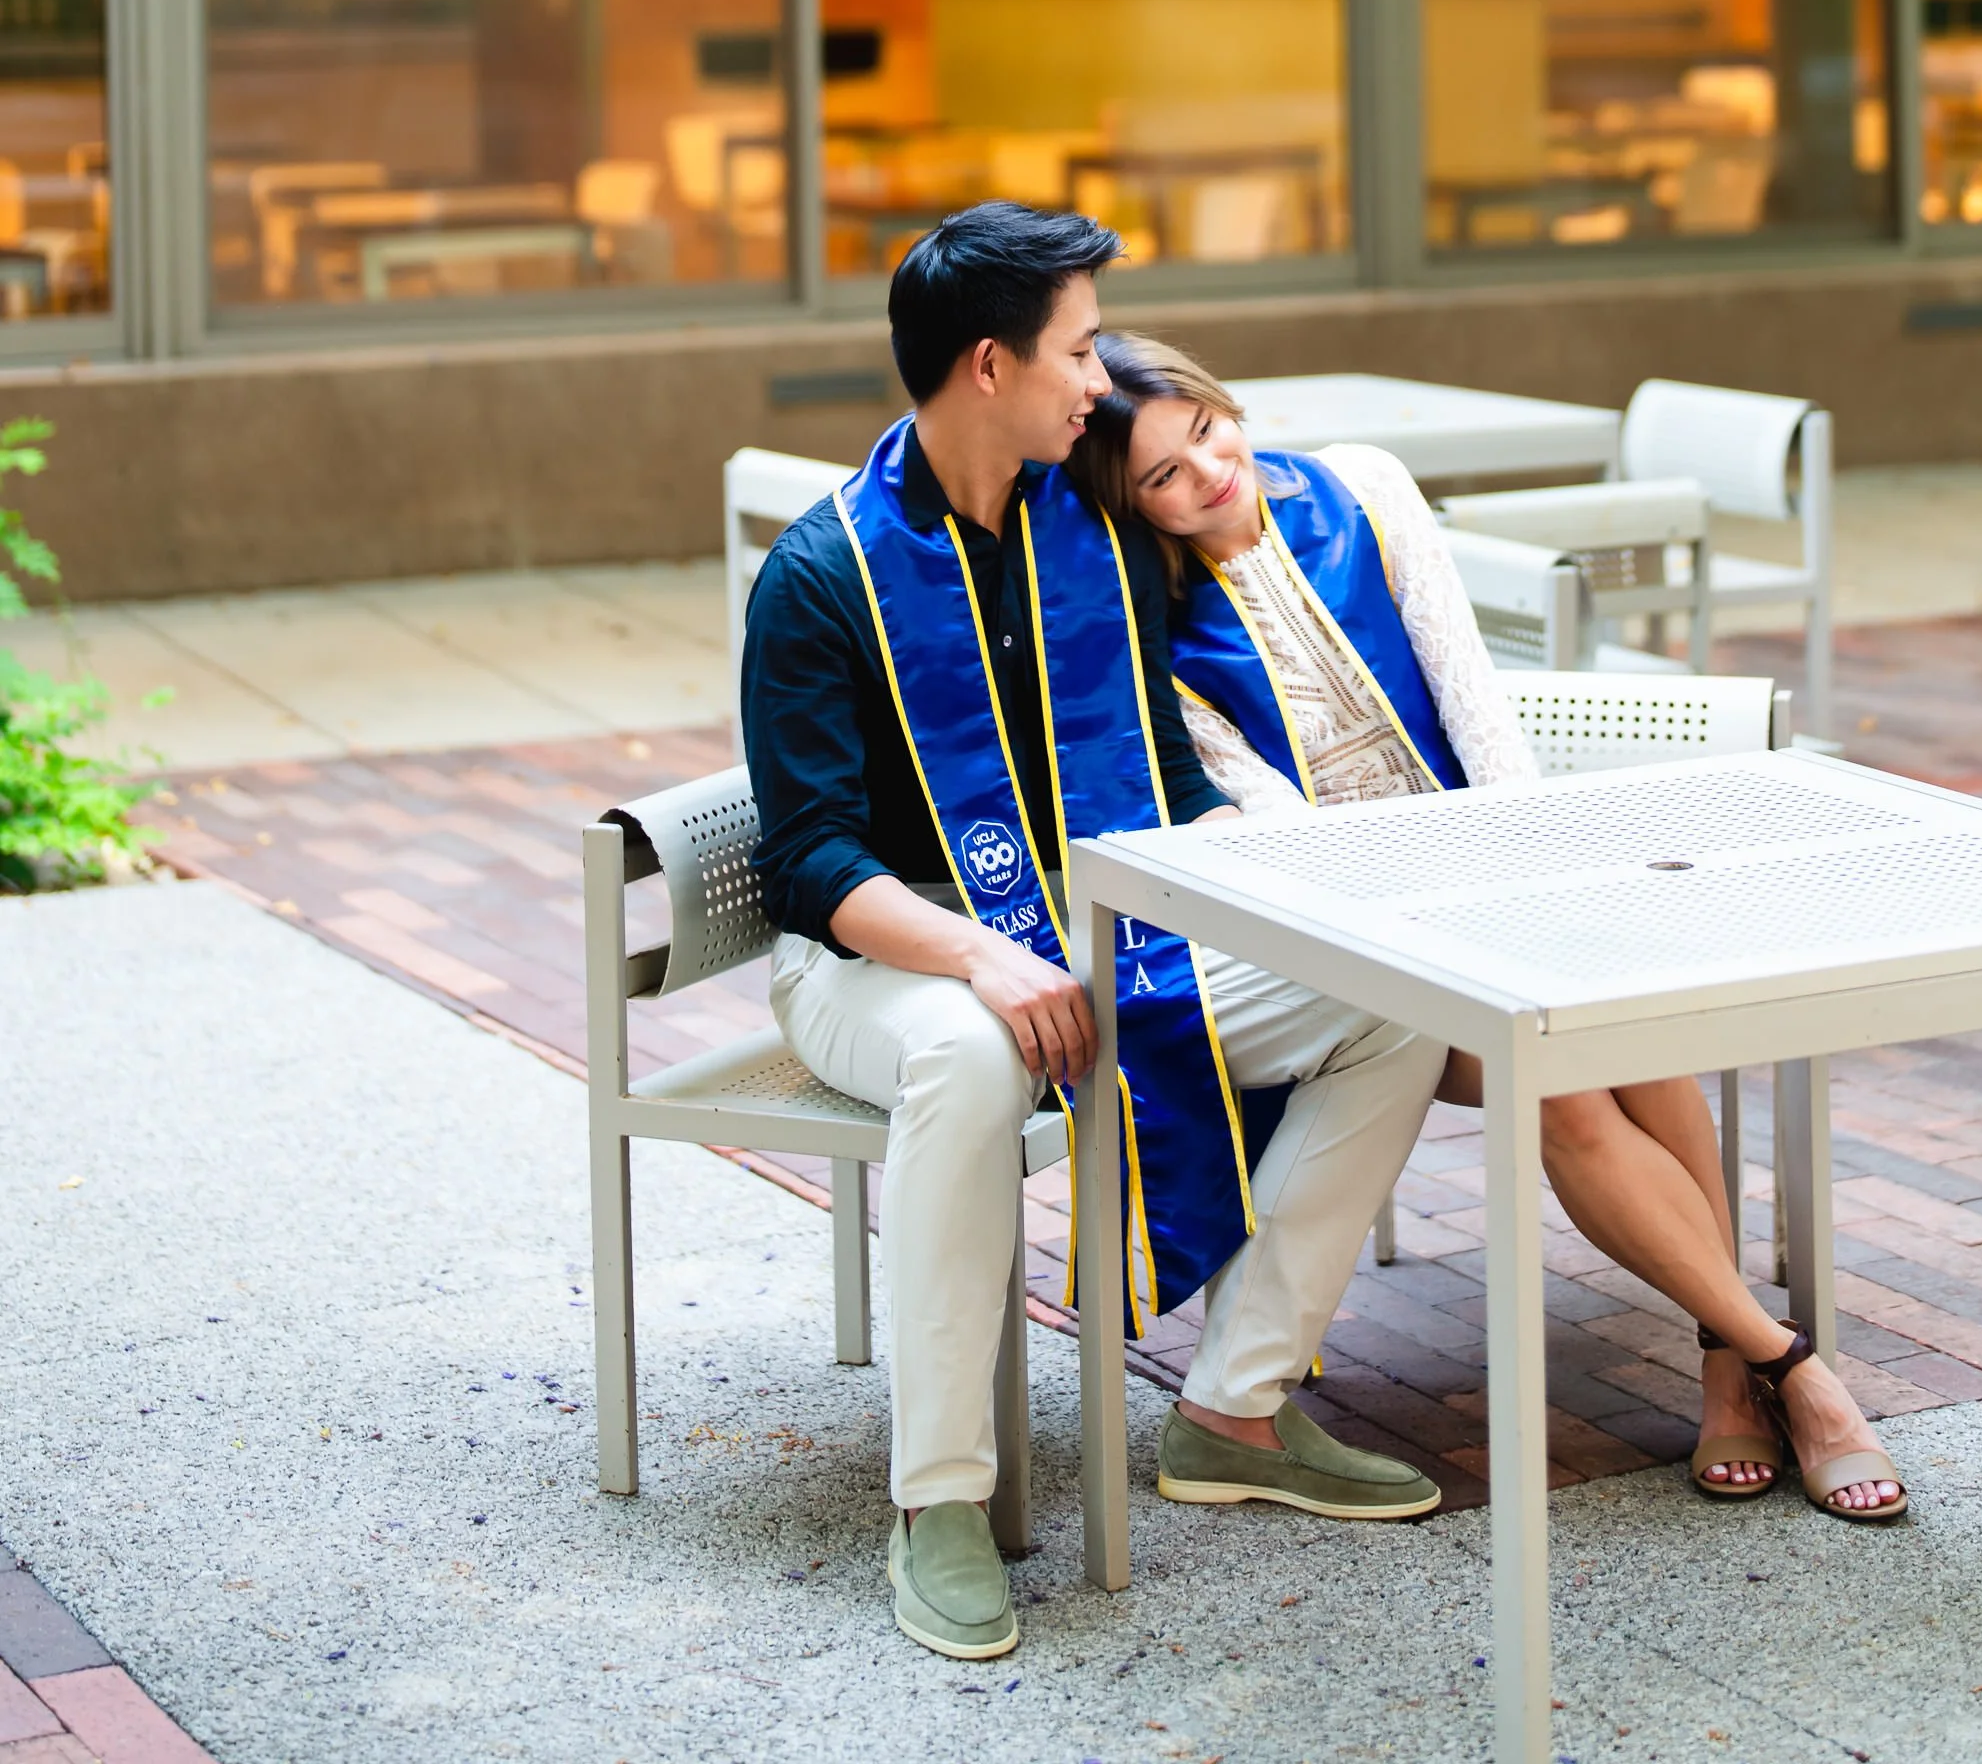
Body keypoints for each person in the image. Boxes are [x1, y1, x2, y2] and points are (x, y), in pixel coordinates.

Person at [741, 207, 1449, 1668]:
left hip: (1096, 936)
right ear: (989, 366)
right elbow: (810, 858)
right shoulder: (823, 576)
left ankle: (1234, 1411)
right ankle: (939, 1502)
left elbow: (1171, 785)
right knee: (968, 1061)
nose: (1098, 383)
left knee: (1392, 1004)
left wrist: (1273, 890)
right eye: (1076, 351)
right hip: (882, 962)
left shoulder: (1092, 530)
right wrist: (982, 957)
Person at [1069, 330, 1908, 1525]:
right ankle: (1789, 1366)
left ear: (1223, 403)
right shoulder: (1158, 641)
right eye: (1162, 476)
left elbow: (1478, 703)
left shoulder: (1361, 486)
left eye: (1205, 431)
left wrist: (1544, 895)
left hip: (1516, 880)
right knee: (1564, 1083)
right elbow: (1294, 847)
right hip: (1380, 946)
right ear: (1131, 508)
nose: (1206, 473)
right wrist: (1476, 942)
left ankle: (1733, 1366)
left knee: (1621, 1018)